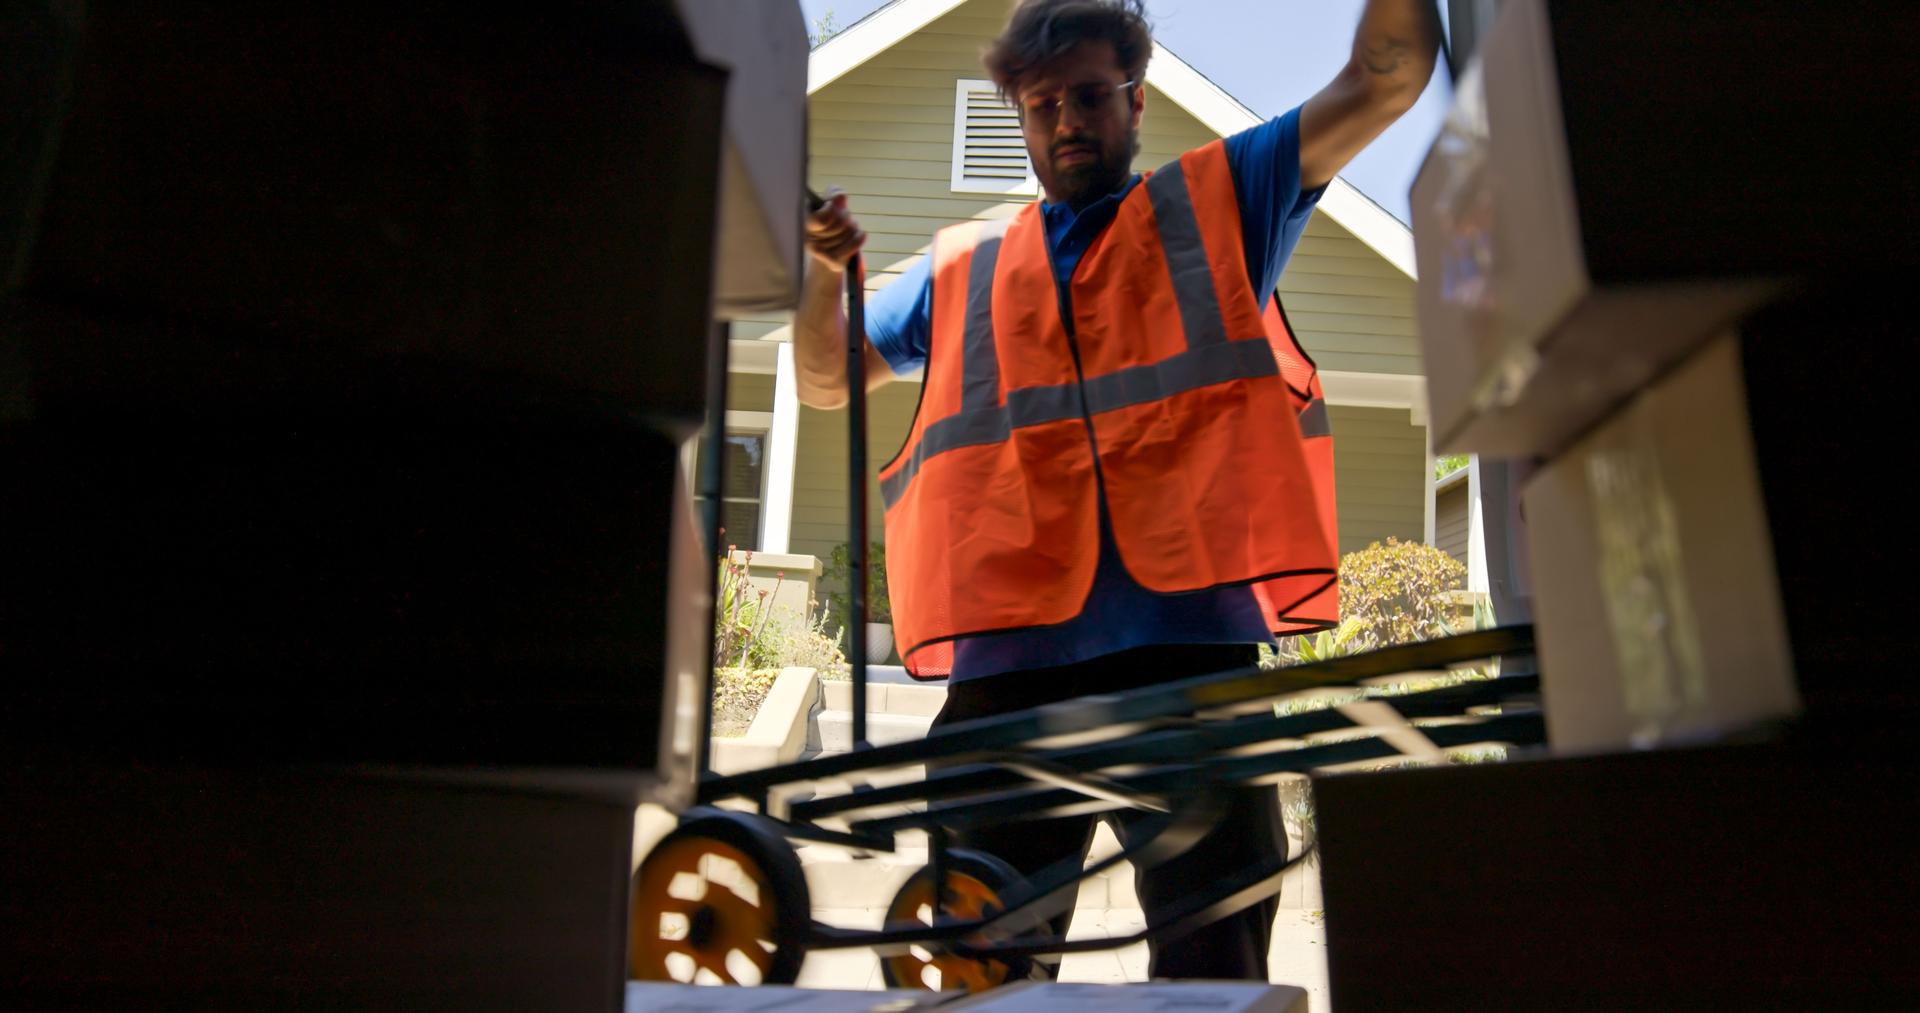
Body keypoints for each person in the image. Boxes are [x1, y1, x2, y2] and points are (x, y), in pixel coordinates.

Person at [796, 0, 1439, 981]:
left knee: (1214, 982)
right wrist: (822, 269)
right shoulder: (964, 269)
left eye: (1092, 95)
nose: (1068, 121)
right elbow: (824, 377)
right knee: (981, 983)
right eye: (1043, 103)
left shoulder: (1221, 201)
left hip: (1190, 668)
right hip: (1008, 683)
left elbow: (1386, 76)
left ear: (1136, 102)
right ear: (1020, 113)